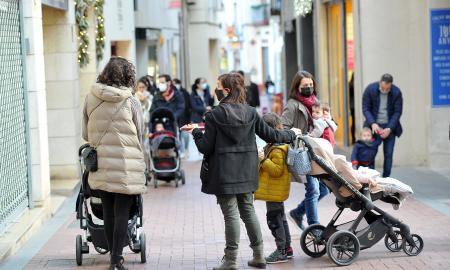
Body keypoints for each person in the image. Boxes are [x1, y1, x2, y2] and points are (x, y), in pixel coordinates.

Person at [182, 72, 300, 270]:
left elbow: (205, 147)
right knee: (248, 211)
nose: (215, 89)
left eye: (217, 85)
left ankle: (230, 260)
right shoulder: (251, 112)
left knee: (231, 215)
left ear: (226, 90)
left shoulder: (214, 115)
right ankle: (259, 255)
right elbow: (271, 134)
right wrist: (291, 133)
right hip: (247, 171)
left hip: (224, 173)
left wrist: (195, 132)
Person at [82, 57, 146, 270]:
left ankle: (113, 257)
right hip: (126, 165)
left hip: (101, 163)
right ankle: (116, 259)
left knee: (108, 211)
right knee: (123, 213)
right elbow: (140, 132)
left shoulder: (90, 98)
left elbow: (85, 133)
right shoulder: (131, 101)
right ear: (128, 76)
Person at [280, 70, 329, 230]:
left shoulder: (316, 102)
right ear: (297, 87)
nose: (309, 87)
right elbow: (283, 128)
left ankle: (297, 212)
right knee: (313, 190)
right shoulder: (292, 105)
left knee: (324, 189)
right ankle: (314, 227)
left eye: (310, 84)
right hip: (303, 151)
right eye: (305, 85)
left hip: (317, 151)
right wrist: (298, 135)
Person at [254, 113, 293, 264]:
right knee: (281, 219)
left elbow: (276, 170)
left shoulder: (277, 149)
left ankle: (281, 251)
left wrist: (263, 159)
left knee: (274, 221)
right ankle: (287, 249)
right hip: (274, 191)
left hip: (274, 192)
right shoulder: (273, 145)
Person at [362, 73, 403, 177]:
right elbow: (366, 108)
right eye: (383, 88)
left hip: (390, 127)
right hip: (374, 126)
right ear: (380, 82)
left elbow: (397, 112)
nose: (385, 90)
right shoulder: (370, 89)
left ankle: (386, 178)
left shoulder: (396, 92)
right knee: (369, 153)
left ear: (391, 85)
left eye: (387, 89)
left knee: (388, 154)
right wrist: (373, 123)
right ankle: (371, 178)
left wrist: (389, 128)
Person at [173, 78, 192, 158]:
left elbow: (189, 105)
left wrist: (189, 117)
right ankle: (182, 151)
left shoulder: (185, 92)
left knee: (185, 135)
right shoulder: (172, 93)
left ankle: (186, 148)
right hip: (176, 117)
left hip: (185, 117)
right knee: (178, 135)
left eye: (175, 83)